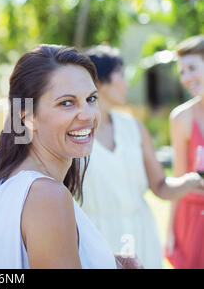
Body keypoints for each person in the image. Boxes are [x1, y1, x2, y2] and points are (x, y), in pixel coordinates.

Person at [0, 44, 140, 269]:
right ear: (28, 117)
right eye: (66, 103)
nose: (88, 115)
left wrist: (103, 260)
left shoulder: (12, 183)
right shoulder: (48, 197)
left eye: (91, 99)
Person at [79, 45, 203, 269]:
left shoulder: (134, 127)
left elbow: (161, 186)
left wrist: (193, 179)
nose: (127, 83)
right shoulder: (74, 131)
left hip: (140, 236)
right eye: (121, 75)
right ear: (100, 81)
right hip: (96, 240)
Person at [167, 35, 204, 269]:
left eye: (192, 68)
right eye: (182, 71)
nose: (186, 78)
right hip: (193, 221)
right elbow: (179, 178)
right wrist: (170, 229)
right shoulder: (181, 118)